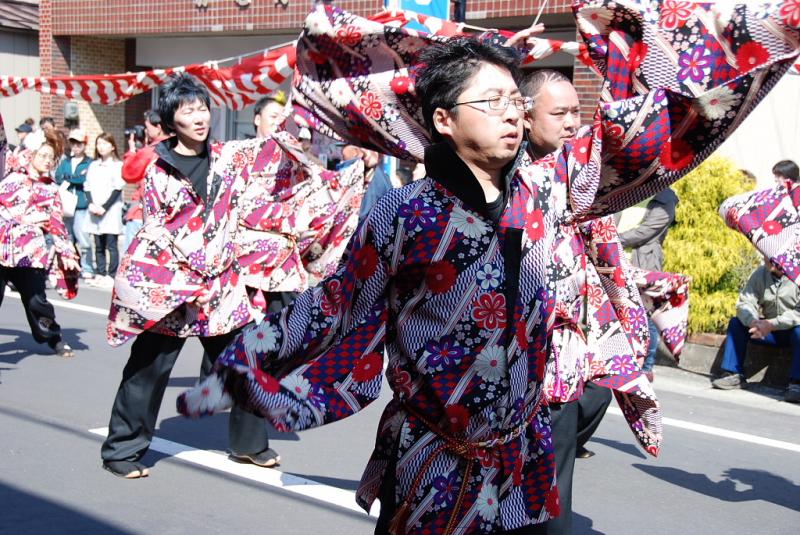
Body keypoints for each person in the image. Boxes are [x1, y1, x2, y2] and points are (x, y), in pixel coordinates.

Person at [178, 2, 799, 533]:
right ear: (443, 120)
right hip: (433, 461)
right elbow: (332, 310)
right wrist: (233, 377)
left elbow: (643, 128)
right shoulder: (402, 213)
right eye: (491, 101)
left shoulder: (552, 190)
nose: (511, 114)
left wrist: (771, 28)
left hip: (521, 456)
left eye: (514, 101)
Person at [100, 73, 276, 479]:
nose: (199, 117)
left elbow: (270, 159)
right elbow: (157, 229)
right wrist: (189, 270)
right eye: (187, 110)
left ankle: (250, 445)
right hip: (173, 288)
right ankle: (121, 451)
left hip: (222, 287)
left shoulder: (227, 158)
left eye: (202, 108)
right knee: (147, 370)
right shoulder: (159, 167)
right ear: (170, 118)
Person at [520, 69, 612, 535]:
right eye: (559, 113)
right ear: (525, 114)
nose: (572, 123)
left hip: (567, 347)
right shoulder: (506, 175)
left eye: (577, 111)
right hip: (508, 350)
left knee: (555, 471)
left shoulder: (583, 174)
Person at [0, 130, 80, 358]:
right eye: (43, 155)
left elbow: (56, 223)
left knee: (37, 301)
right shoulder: (11, 178)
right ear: (31, 154)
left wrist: (66, 252)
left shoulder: (51, 189)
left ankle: (54, 337)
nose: (46, 160)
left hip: (30, 252)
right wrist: (23, 219)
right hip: (3, 247)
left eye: (51, 158)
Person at [712, 259, 800, 403]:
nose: (766, 259)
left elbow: (798, 314)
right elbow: (745, 302)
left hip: (792, 330)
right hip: (767, 331)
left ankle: (797, 384)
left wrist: (771, 324)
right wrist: (753, 322)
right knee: (737, 323)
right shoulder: (761, 273)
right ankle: (733, 374)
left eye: (770, 256)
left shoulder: (797, 276)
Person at [619, 187, 679, 378]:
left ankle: (646, 366)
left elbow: (648, 230)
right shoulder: (629, 186)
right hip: (614, 259)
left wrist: (610, 240)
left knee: (645, 314)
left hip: (643, 262)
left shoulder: (665, 197)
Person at [84, 133, 124, 288]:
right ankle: (100, 273)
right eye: (99, 143)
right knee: (98, 244)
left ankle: (111, 274)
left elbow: (117, 188)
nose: (101, 147)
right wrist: (91, 204)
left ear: (112, 146)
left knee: (111, 244)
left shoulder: (117, 165)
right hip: (95, 208)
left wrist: (104, 207)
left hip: (110, 210)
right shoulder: (93, 165)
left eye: (105, 143)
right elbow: (87, 186)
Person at [54, 129, 94, 281]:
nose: (75, 146)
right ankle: (70, 267)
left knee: (83, 239)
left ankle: (87, 267)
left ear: (85, 144)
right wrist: (73, 177)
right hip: (66, 205)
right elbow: (58, 177)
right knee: (67, 238)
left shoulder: (90, 162)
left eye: (79, 143)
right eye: (73, 143)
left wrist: (69, 178)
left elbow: (85, 179)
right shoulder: (65, 162)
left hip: (81, 205)